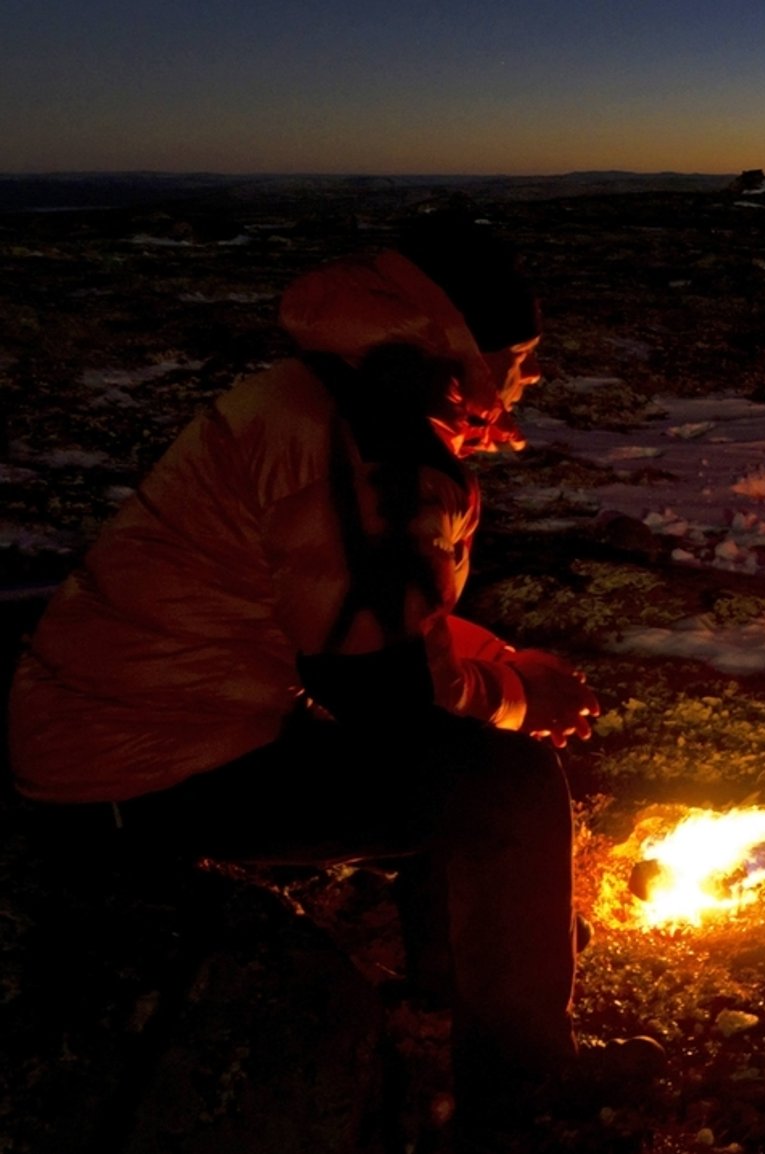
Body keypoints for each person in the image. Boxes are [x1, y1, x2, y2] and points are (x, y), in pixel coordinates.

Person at [6, 214, 655, 1131]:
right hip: (135, 774)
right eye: (521, 353)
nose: (530, 376)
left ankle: (451, 974)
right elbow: (382, 692)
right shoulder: (373, 452)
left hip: (110, 721)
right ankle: (524, 1086)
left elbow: (353, 604)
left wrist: (500, 661)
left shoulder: (315, 397)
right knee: (503, 787)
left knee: (455, 758)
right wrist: (520, 699)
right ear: (462, 348)